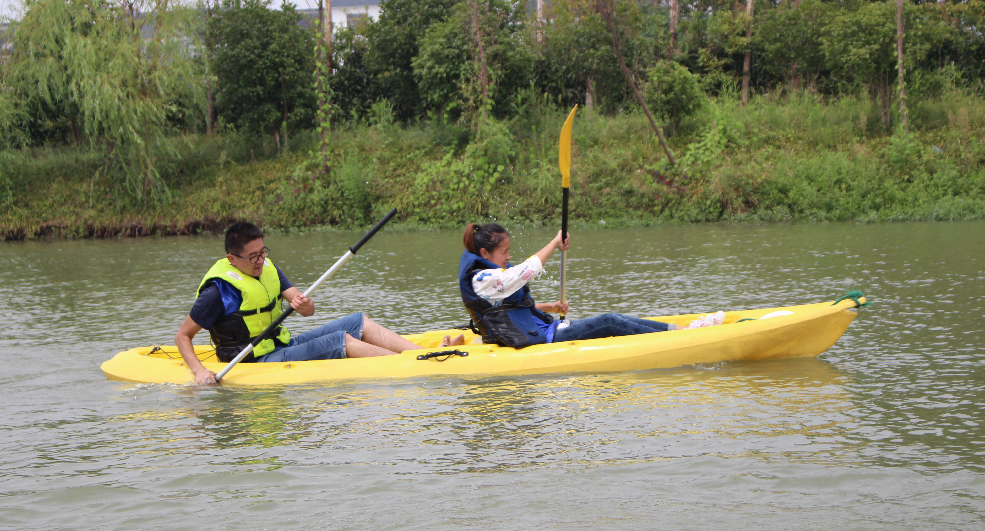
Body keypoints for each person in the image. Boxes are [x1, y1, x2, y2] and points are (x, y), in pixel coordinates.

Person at [176, 221, 461, 385]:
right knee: (340, 339)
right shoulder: (218, 291)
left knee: (356, 321)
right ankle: (418, 366)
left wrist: (304, 306)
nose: (260, 261)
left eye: (263, 252)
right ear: (232, 259)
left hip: (281, 346)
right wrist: (199, 371)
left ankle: (423, 353)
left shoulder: (268, 269)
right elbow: (183, 337)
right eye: (253, 257)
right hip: (256, 360)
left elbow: (307, 308)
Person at [457, 222, 724, 348]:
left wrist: (548, 305)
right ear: (484, 253)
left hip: (542, 330)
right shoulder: (481, 279)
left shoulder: (489, 277)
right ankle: (682, 337)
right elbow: (522, 273)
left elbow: (506, 309)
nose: (508, 256)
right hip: (538, 340)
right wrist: (554, 243)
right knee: (608, 321)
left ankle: (682, 330)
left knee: (614, 317)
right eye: (504, 252)